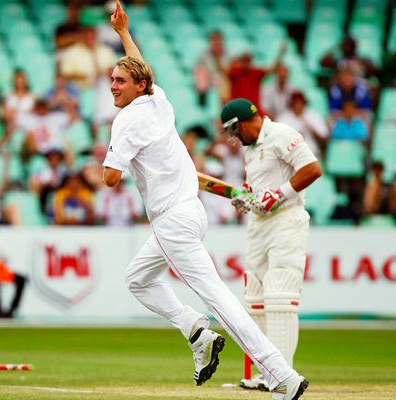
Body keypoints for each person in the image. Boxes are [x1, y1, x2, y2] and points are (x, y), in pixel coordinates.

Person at [102, 2, 308, 399]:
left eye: (120, 81)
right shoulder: (157, 99)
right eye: (112, 79)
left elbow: (111, 180)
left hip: (171, 221)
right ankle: (196, 331)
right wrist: (125, 34)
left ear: (137, 86)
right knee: (137, 279)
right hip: (191, 212)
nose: (113, 85)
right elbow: (141, 68)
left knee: (220, 299)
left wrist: (109, 160)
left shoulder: (126, 120)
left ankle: (283, 375)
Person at [220, 98, 322, 392]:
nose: (234, 139)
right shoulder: (251, 151)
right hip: (259, 225)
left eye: (234, 131)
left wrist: (279, 194)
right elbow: (260, 187)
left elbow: (312, 169)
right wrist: (248, 196)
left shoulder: (282, 134)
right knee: (254, 299)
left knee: (280, 296)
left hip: (286, 221)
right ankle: (266, 373)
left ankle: (283, 375)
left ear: (243, 122)